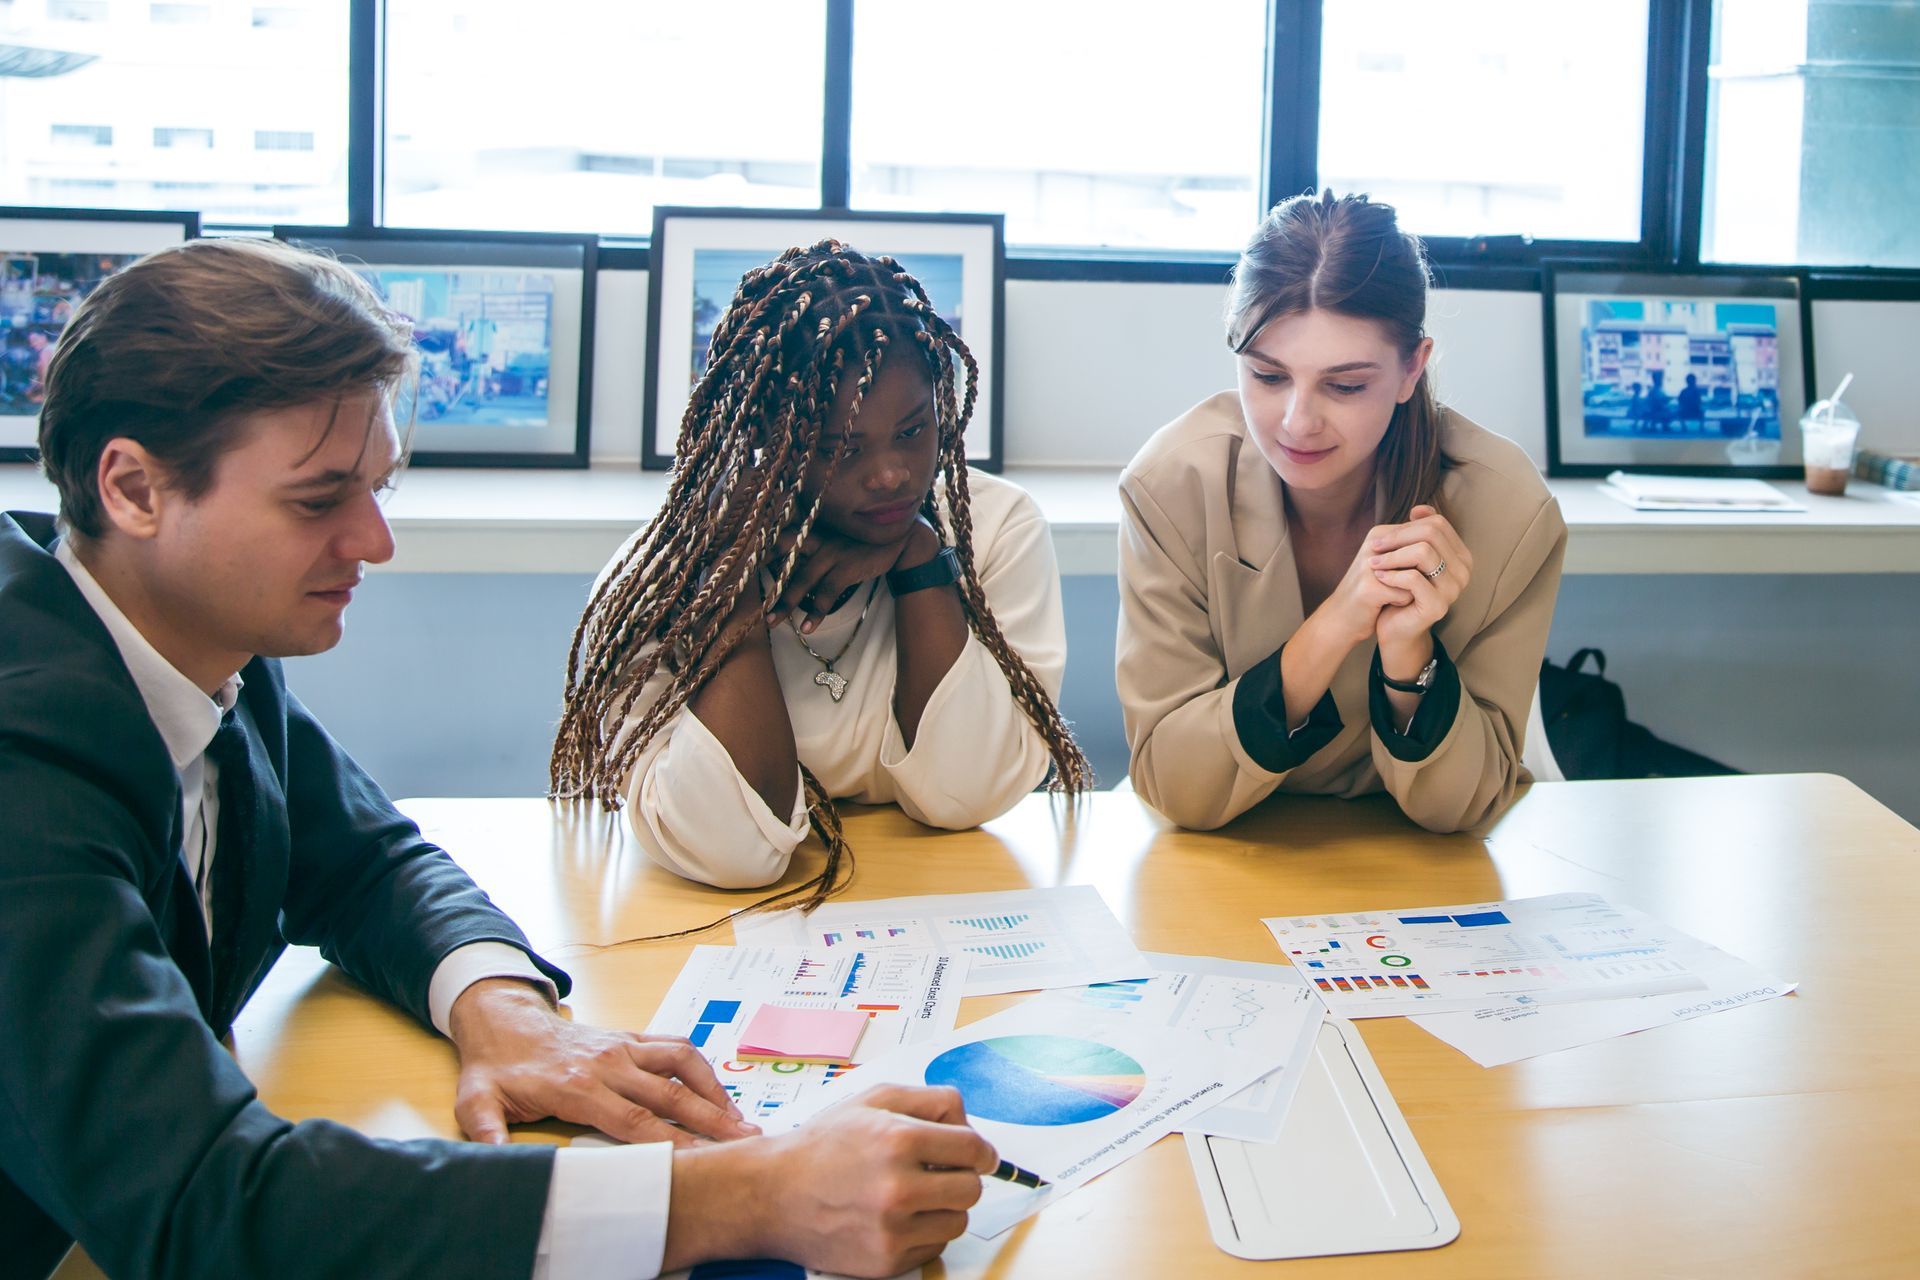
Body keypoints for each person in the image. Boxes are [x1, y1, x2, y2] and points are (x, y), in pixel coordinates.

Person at [0, 237, 996, 1280]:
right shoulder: (28, 749)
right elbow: (214, 1206)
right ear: (134, 487)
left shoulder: (188, 652)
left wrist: (506, 1011)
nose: (375, 541)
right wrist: (745, 1192)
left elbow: (367, 862)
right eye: (318, 498)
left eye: (378, 487)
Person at [550, 240, 1091, 898]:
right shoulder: (663, 575)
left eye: (913, 431)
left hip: (943, 905)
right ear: (764, 439)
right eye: (841, 447)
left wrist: (922, 562)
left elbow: (967, 795)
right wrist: (736, 600)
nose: (892, 473)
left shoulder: (997, 530)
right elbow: (729, 852)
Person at [1116, 191, 1567, 834]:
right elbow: (1174, 785)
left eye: (1346, 385)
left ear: (1413, 368)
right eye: (1268, 377)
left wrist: (1410, 651)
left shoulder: (1509, 511)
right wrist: (1333, 626)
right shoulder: (1171, 487)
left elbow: (1465, 806)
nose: (1298, 422)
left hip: (1415, 875)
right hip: (1220, 859)